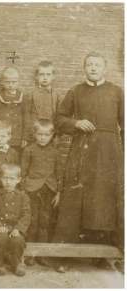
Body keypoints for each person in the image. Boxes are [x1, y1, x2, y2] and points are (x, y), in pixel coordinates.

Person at [52, 52, 124, 272]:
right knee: (75, 197)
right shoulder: (76, 91)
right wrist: (76, 122)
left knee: (103, 198)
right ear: (84, 68)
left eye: (97, 65)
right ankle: (66, 256)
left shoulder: (116, 91)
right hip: (82, 151)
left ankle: (100, 254)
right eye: (89, 65)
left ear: (105, 68)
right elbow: (59, 119)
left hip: (108, 153)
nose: (93, 68)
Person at [20, 119, 63, 267]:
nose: (43, 138)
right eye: (39, 134)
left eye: (46, 135)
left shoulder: (55, 152)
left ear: (52, 135)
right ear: (34, 134)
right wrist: (23, 191)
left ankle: (42, 254)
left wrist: (58, 193)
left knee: (45, 222)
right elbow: (23, 172)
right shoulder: (28, 150)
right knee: (33, 221)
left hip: (49, 190)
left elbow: (59, 174)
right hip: (32, 189)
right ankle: (30, 254)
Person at [0, 164, 31, 277]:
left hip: (15, 228)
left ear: (18, 180)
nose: (8, 182)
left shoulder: (23, 197)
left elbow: (26, 215)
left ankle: (17, 263)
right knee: (0, 238)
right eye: (5, 178)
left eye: (12, 179)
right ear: (0, 178)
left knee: (17, 240)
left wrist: (18, 228)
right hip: (0, 227)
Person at [0, 67, 32, 155]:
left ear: (19, 82)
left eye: (13, 82)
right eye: (7, 82)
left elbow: (27, 119)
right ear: (2, 82)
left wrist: (25, 137)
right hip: (1, 138)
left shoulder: (23, 97)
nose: (10, 85)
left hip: (18, 138)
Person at [28, 61, 64, 146]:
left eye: (48, 75)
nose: (45, 78)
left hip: (50, 136)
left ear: (53, 76)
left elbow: (60, 117)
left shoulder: (57, 95)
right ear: (36, 76)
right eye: (41, 74)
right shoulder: (30, 93)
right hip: (34, 136)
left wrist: (58, 136)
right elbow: (27, 115)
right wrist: (29, 135)